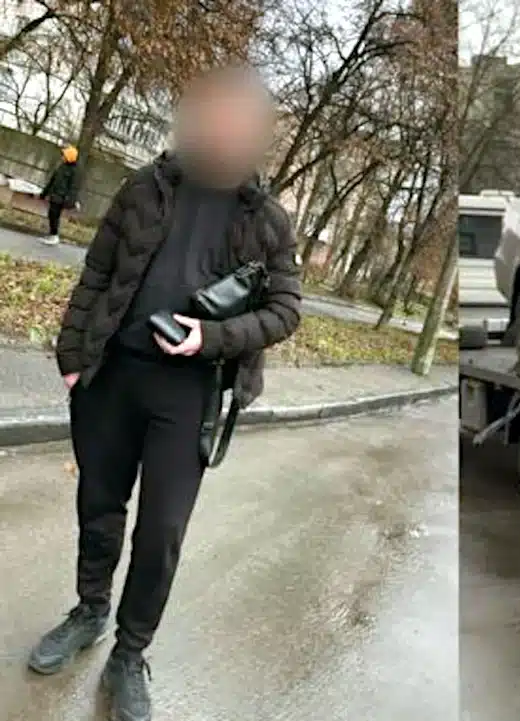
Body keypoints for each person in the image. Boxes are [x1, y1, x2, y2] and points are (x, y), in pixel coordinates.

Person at [26, 65, 303, 721]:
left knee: (161, 533)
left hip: (189, 394)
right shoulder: (145, 187)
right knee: (99, 506)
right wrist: (72, 357)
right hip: (111, 377)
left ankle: (129, 652)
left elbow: (286, 309)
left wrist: (211, 337)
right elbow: (97, 269)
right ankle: (90, 610)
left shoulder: (266, 220)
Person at [39, 144, 81, 246]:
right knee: (51, 215)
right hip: (55, 195)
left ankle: (54, 236)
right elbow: (52, 181)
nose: (62, 157)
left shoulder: (74, 171)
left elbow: (73, 188)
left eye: (64, 156)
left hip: (61, 198)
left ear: (69, 157)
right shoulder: (61, 167)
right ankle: (52, 234)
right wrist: (44, 193)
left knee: (54, 215)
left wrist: (69, 200)